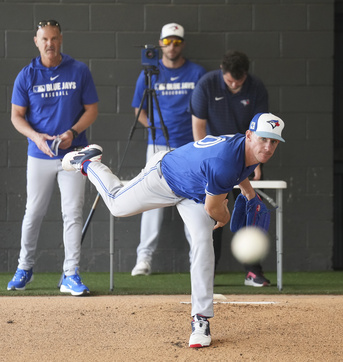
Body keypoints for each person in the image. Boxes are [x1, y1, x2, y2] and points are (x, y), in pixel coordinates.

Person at [62, 112, 285, 347]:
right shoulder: (226, 162)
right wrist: (225, 215)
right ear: (249, 136)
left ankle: (200, 319)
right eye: (263, 139)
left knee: (202, 241)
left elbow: (240, 169)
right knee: (117, 205)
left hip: (194, 191)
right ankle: (88, 162)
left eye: (274, 141)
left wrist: (249, 193)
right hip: (164, 177)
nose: (268, 147)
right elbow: (213, 207)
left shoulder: (245, 147)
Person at [8, 20, 99, 295]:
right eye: (45, 39)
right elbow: (16, 116)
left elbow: (92, 110)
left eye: (55, 38)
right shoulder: (26, 75)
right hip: (39, 154)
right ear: (37, 41)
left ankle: (71, 274)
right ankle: (25, 268)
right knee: (33, 212)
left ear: (61, 39)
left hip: (72, 154)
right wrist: (35, 137)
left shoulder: (79, 70)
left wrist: (73, 132)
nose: (50, 44)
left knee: (72, 212)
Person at [131, 23, 206, 276]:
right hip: (157, 145)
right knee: (151, 202)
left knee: (195, 200)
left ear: (182, 44)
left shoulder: (197, 73)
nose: (171, 46)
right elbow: (138, 110)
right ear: (160, 43)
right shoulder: (150, 73)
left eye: (176, 41)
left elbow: (204, 110)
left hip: (189, 145)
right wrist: (153, 127)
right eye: (166, 42)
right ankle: (144, 260)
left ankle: (198, 257)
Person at [190, 50, 270, 287]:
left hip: (246, 157)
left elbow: (262, 132)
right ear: (222, 72)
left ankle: (253, 272)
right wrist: (203, 161)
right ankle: (208, 273)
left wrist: (257, 163)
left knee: (250, 211)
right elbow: (198, 126)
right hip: (216, 160)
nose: (234, 84)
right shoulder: (206, 85)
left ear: (246, 75)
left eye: (239, 80)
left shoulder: (256, 88)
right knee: (212, 215)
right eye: (229, 80)